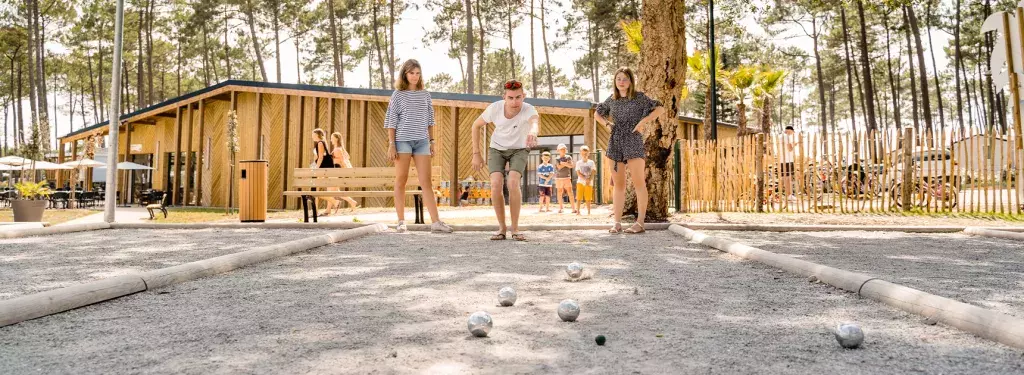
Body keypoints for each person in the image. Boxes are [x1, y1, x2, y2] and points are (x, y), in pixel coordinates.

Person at [384, 59, 452, 233]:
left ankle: (436, 222)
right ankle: (401, 222)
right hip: (402, 141)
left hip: (422, 141)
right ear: (405, 74)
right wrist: (392, 144)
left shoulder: (425, 94)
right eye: (411, 73)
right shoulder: (398, 95)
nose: (415, 76)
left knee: (426, 182)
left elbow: (430, 120)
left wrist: (432, 141)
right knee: (401, 180)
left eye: (417, 73)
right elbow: (391, 120)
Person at [595, 67, 666, 234]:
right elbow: (597, 114)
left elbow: (660, 108)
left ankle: (640, 223)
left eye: (625, 79)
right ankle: (617, 223)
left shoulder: (639, 98)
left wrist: (643, 122)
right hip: (615, 141)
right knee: (619, 185)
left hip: (633, 139)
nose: (621, 82)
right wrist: (607, 124)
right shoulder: (612, 99)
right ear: (615, 81)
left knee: (638, 182)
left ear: (630, 81)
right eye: (618, 78)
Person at [471, 79, 540, 241]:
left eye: (518, 97)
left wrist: (533, 133)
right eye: (510, 98)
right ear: (504, 97)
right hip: (497, 148)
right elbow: (475, 125)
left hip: (520, 148)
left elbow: (534, 122)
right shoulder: (495, 108)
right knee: (495, 184)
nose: (514, 102)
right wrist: (476, 153)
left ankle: (515, 229)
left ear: (524, 96)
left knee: (513, 182)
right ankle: (502, 228)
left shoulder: (529, 109)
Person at [329, 132, 360, 214]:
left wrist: (347, 171)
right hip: (336, 171)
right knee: (335, 191)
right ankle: (352, 202)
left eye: (332, 138)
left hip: (336, 171)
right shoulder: (339, 148)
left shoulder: (337, 149)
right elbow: (347, 157)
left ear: (336, 139)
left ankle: (328, 210)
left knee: (331, 190)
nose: (330, 140)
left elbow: (343, 161)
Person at [311, 128, 335, 217]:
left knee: (315, 189)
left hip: (322, 168)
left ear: (317, 135)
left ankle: (316, 211)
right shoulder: (321, 143)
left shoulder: (320, 143)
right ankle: (334, 203)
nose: (312, 137)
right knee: (315, 189)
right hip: (322, 167)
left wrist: (316, 168)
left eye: (313, 135)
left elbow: (320, 157)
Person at [554, 144, 577, 214]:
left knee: (570, 192)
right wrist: (566, 164)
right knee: (559, 192)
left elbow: (571, 166)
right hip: (559, 178)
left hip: (567, 177)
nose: (563, 150)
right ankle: (561, 208)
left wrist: (563, 163)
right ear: (558, 150)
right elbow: (559, 167)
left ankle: (573, 208)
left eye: (564, 149)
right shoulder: (556, 158)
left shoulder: (568, 157)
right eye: (561, 149)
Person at [574, 146, 596, 216]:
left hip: (589, 183)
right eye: (583, 153)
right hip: (580, 182)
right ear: (580, 153)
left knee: (588, 198)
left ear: (588, 153)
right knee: (579, 197)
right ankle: (578, 211)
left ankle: (589, 211)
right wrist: (585, 179)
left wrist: (590, 179)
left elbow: (593, 171)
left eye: (586, 153)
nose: (584, 155)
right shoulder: (578, 163)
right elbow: (578, 173)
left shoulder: (591, 162)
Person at [781, 126, 797, 205]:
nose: (791, 134)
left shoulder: (780, 137)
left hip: (782, 160)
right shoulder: (786, 137)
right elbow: (789, 148)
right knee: (788, 177)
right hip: (787, 160)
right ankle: (789, 195)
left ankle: (789, 194)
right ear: (789, 131)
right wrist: (794, 145)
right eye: (792, 132)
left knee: (786, 177)